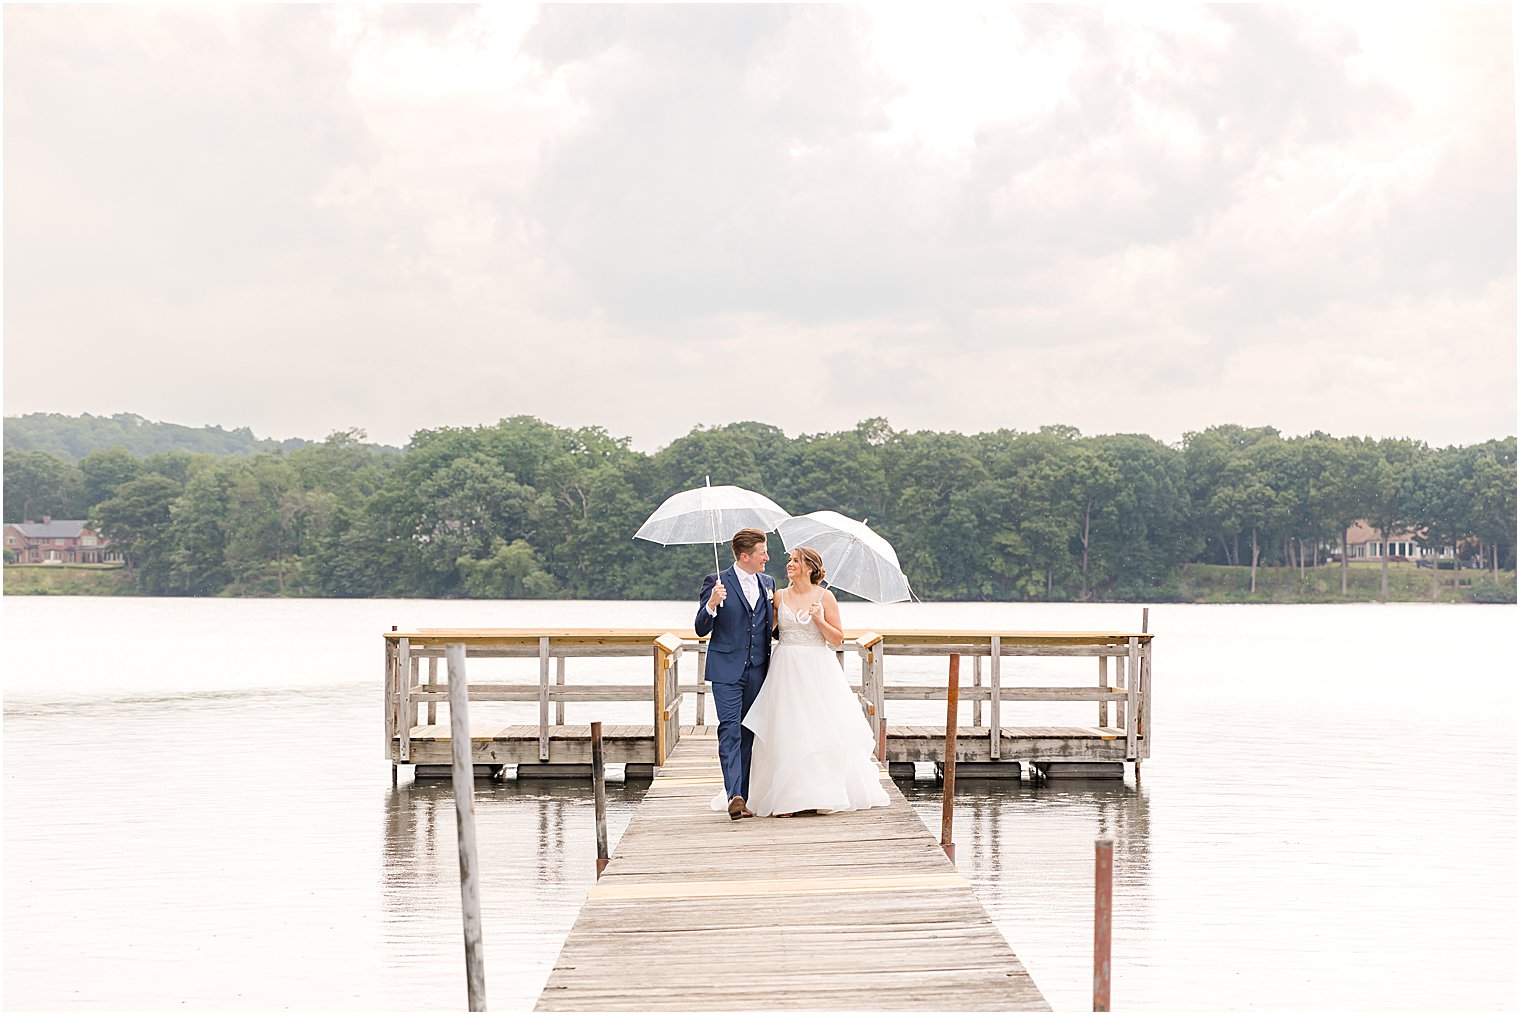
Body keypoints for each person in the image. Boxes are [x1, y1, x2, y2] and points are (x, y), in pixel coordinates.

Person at [739, 546, 889, 817]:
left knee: (817, 729)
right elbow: (766, 630)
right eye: (790, 560)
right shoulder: (779, 596)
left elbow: (836, 639)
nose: (789, 564)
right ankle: (786, 798)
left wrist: (819, 618)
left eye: (795, 561)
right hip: (784, 668)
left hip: (818, 669)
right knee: (786, 728)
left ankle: (819, 793)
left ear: (809, 568)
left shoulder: (825, 597)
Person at [694, 527, 775, 820]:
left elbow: (770, 626)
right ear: (745, 556)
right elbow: (700, 628)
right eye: (762, 552)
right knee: (729, 729)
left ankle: (745, 796)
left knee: (747, 733)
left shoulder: (769, 582)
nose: (767, 557)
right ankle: (734, 796)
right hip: (726, 669)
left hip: (758, 670)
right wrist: (712, 604)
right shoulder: (716, 582)